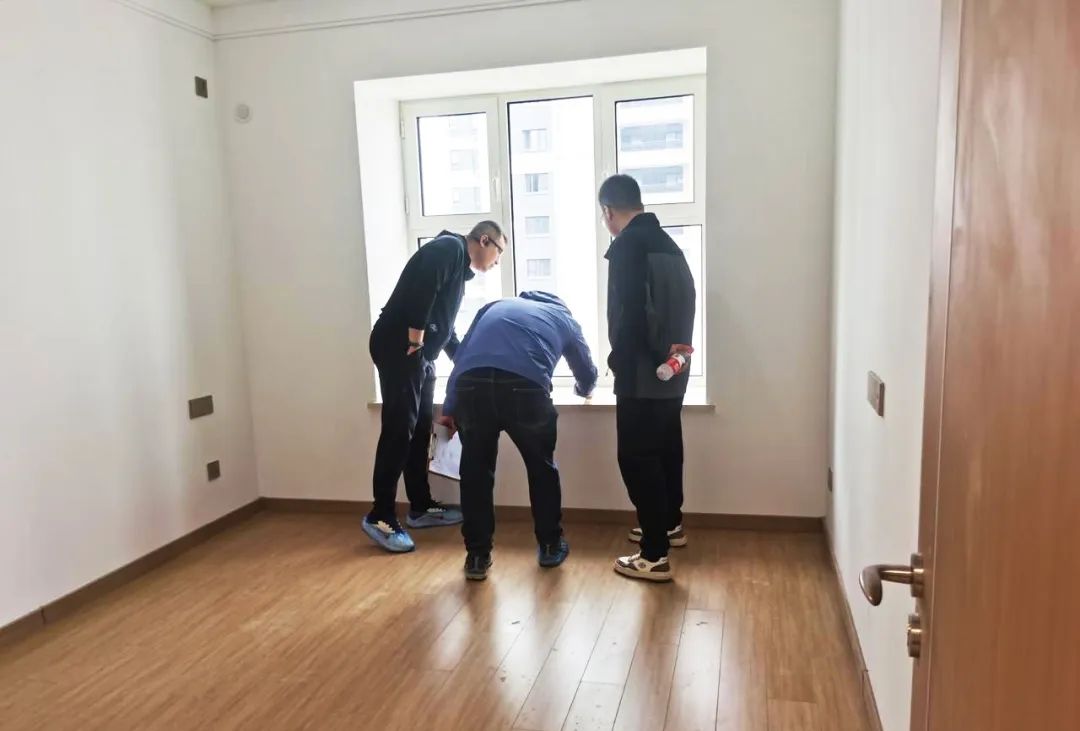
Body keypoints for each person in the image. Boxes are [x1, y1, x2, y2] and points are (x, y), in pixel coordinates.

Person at [365, 221, 507, 553]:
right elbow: (422, 292)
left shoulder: (458, 269)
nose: (497, 262)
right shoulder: (448, 249)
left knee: (419, 430)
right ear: (484, 240)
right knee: (399, 429)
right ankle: (380, 514)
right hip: (400, 347)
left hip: (419, 354)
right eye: (499, 253)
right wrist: (416, 342)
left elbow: (445, 328)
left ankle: (420, 505)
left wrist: (466, 362)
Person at [439, 292, 597, 581]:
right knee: (541, 468)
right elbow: (586, 371)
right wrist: (584, 390)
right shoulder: (564, 318)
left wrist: (450, 406)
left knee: (475, 472)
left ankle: (477, 556)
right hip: (525, 387)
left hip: (471, 386)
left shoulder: (494, 307)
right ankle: (550, 546)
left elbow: (461, 358)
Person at [599, 175, 696, 582]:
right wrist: (670, 357)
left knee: (637, 457)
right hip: (674, 370)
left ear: (608, 211)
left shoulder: (628, 246)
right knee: (667, 448)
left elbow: (632, 312)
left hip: (642, 372)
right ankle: (669, 524)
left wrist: (620, 359)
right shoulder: (669, 245)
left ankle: (654, 554)